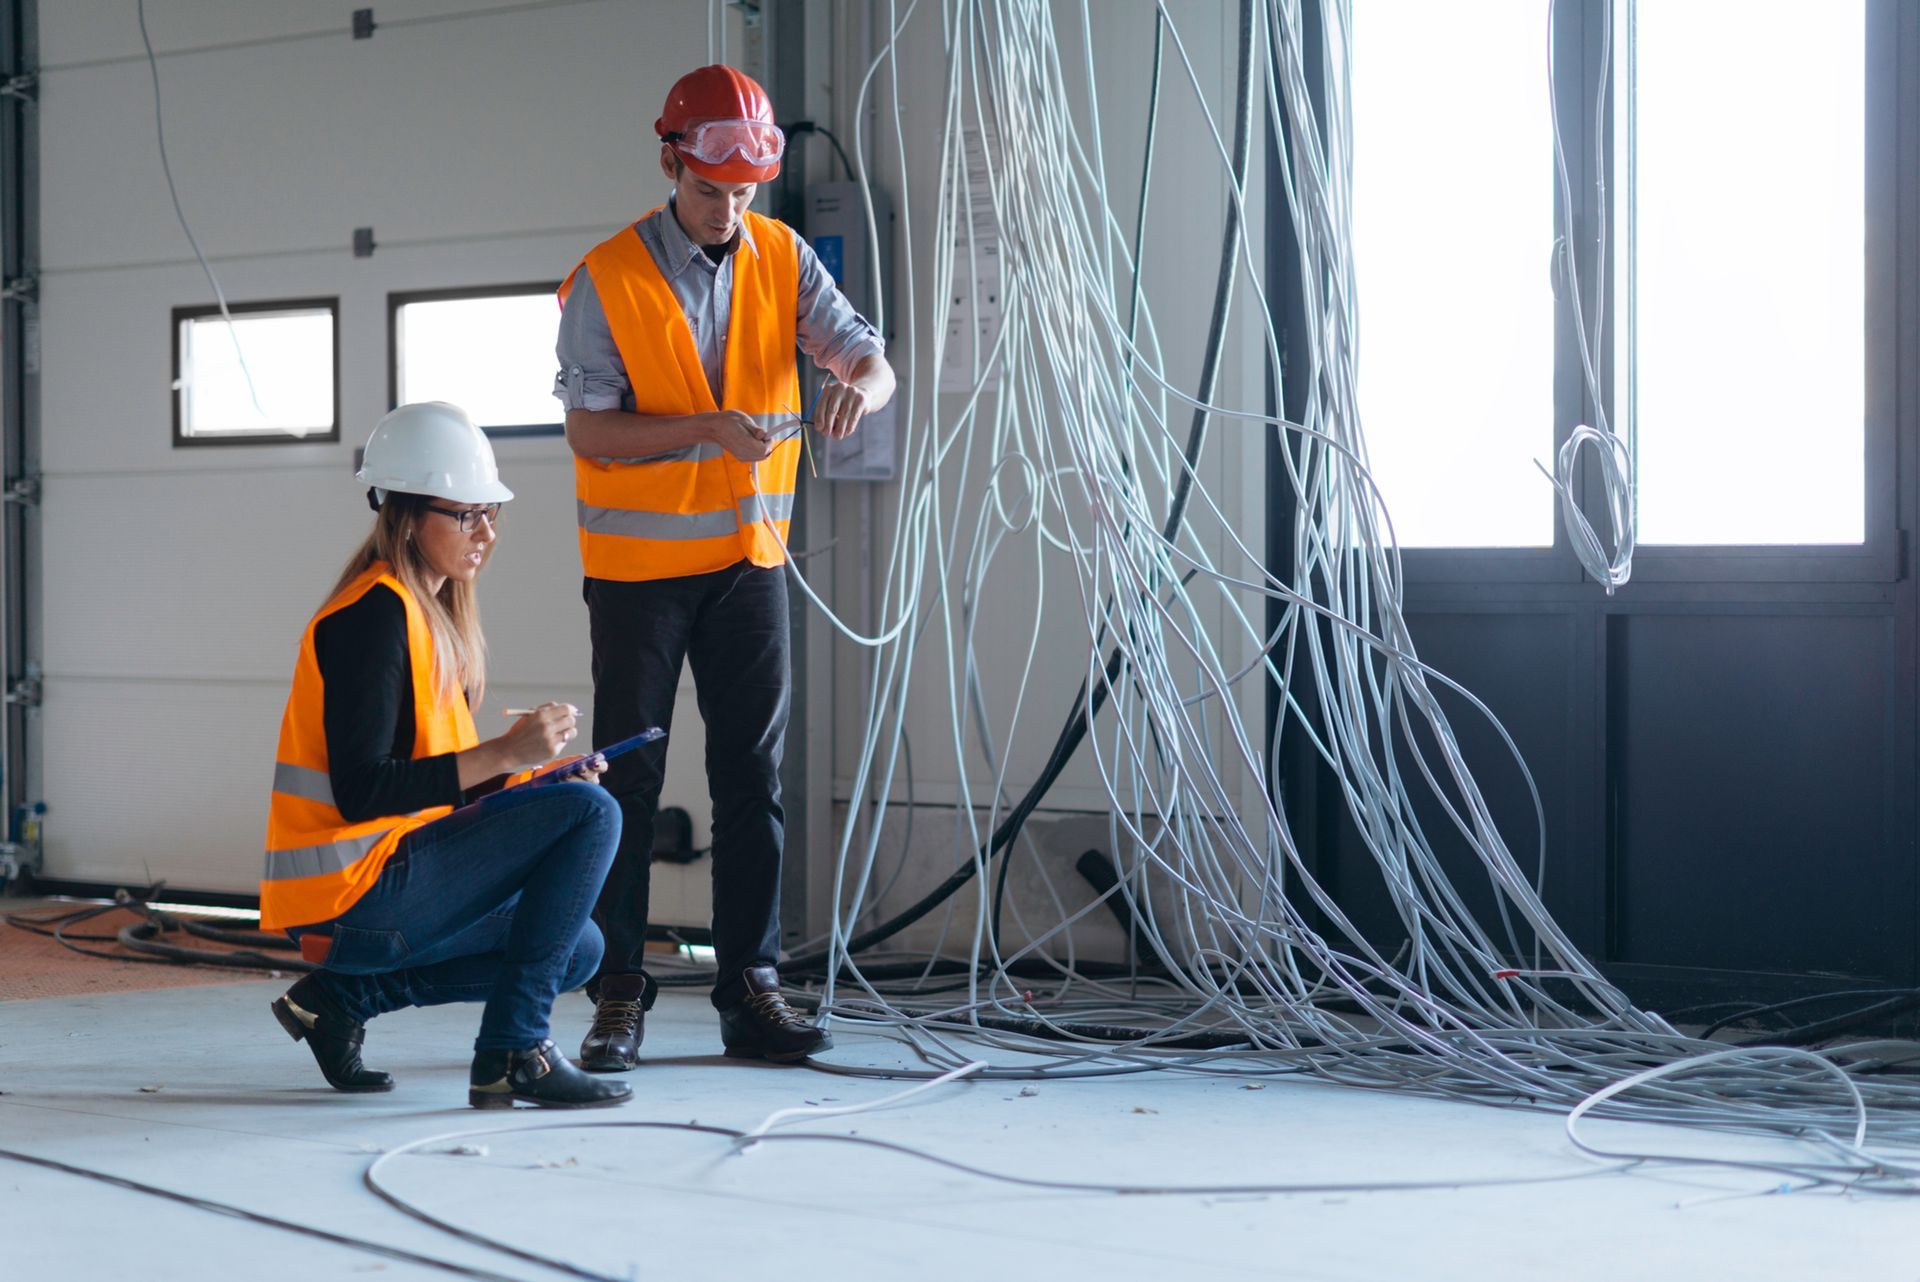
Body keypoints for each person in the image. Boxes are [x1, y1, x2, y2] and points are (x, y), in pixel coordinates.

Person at [554, 64, 896, 1071]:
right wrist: (704, 426)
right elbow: (587, 427)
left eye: (746, 194)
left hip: (750, 563)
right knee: (628, 784)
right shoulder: (607, 277)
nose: (728, 211)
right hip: (638, 575)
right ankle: (618, 989)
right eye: (712, 192)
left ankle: (753, 987)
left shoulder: (782, 257)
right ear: (671, 162)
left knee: (753, 777)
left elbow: (869, 357)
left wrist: (858, 393)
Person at [261, 401, 630, 1110]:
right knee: (593, 813)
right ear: (404, 514)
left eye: (490, 513)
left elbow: (449, 794)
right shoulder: (372, 617)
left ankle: (343, 1000)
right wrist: (504, 752)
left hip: (390, 878)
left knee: (579, 949)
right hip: (346, 895)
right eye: (465, 515)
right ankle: (514, 1050)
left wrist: (532, 776)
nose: (486, 532)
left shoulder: (428, 618)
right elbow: (364, 791)